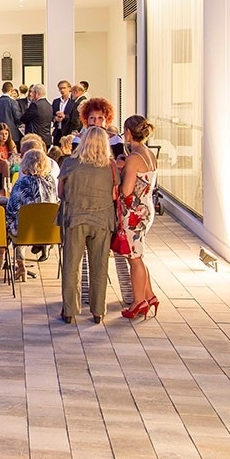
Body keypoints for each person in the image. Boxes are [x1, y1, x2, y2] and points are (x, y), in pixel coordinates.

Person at [57, 126, 118, 324]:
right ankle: (98, 310)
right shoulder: (111, 166)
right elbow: (115, 193)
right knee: (100, 265)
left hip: (75, 218)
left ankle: (70, 310)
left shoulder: (70, 163)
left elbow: (60, 193)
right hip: (102, 220)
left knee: (71, 265)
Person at [119, 115, 160, 319]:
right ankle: (149, 295)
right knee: (138, 255)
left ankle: (138, 302)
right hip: (146, 208)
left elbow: (127, 191)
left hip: (134, 212)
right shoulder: (148, 153)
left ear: (128, 132)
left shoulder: (134, 157)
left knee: (134, 258)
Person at [5, 148, 58, 276]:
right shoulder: (50, 182)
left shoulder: (21, 183)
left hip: (25, 231)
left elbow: (12, 208)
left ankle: (19, 264)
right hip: (48, 230)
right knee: (24, 218)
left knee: (13, 221)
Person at [20, 83, 54, 148]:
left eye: (32, 93)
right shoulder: (49, 105)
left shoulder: (35, 105)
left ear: (36, 93)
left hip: (35, 139)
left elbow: (24, 118)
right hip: (46, 139)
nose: (31, 95)